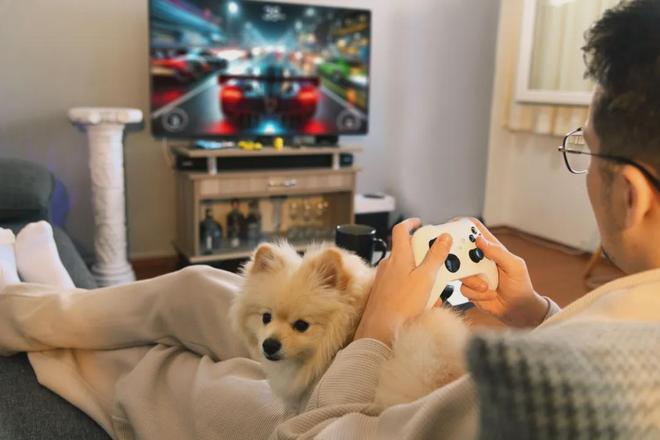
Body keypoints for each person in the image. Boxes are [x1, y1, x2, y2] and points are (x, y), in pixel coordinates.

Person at [1, 1, 659, 438]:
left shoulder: (592, 383)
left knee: (165, 368)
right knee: (196, 287)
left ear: (631, 194)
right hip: (375, 382)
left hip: (353, 412)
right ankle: (44, 296)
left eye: (583, 150)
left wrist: (378, 325)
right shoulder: (632, 316)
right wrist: (535, 312)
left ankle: (31, 296)